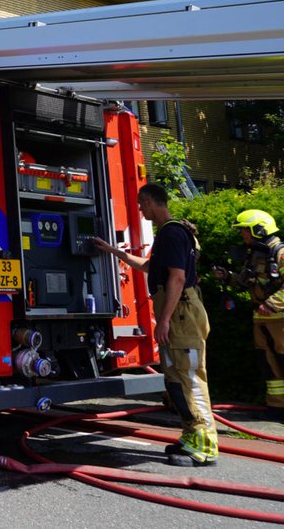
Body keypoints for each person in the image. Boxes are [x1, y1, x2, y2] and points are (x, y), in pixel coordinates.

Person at [93, 183, 219, 466]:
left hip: (181, 316)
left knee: (189, 379)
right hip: (178, 314)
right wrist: (114, 252)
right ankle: (192, 437)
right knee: (176, 379)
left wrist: (163, 321)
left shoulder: (172, 233)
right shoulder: (170, 232)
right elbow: (151, 267)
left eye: (141, 204)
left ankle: (205, 446)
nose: (140, 210)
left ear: (150, 201)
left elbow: (177, 278)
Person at [215, 209, 284, 418]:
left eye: (244, 229)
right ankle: (277, 408)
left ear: (258, 229)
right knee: (269, 365)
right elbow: (246, 281)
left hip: (279, 320)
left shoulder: (280, 253)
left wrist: (270, 304)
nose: (242, 234)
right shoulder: (254, 254)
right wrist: (227, 277)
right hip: (261, 320)